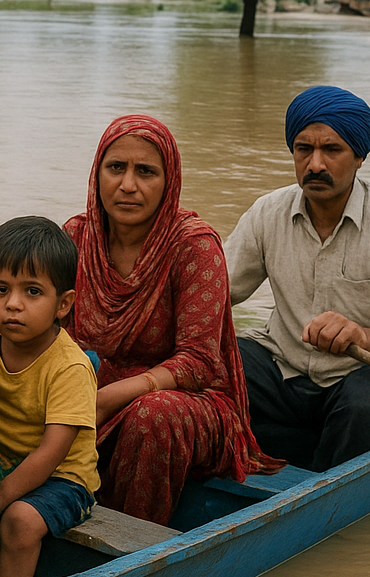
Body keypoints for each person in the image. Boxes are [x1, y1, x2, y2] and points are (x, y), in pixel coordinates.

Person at [226, 85, 370, 470]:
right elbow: (214, 290)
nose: (315, 164)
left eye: (332, 150)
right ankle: (247, 457)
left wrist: (363, 336)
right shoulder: (267, 213)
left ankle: (322, 491)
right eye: (304, 150)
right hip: (284, 369)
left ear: (360, 157)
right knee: (212, 363)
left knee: (364, 406)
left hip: (365, 375)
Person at [65, 115, 275, 526]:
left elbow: (199, 362)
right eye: (116, 168)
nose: (128, 185)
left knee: (152, 416)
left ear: (169, 181)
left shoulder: (194, 246)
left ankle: (130, 545)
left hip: (188, 401)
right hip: (95, 390)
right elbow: (53, 338)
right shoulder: (75, 237)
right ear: (97, 173)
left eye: (145, 172)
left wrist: (114, 395)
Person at [0, 216, 99, 577]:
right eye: (1, 289)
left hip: (61, 478)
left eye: (32, 292)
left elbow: (51, 453)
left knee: (19, 521)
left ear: (63, 304)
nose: (13, 304)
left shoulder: (69, 366)